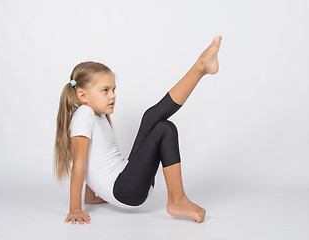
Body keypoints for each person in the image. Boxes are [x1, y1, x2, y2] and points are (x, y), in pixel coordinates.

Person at [54, 35, 222, 224]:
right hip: (125, 191)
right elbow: (80, 164)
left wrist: (91, 197)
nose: (113, 96)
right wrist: (75, 208)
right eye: (105, 90)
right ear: (82, 95)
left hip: (128, 182)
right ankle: (177, 200)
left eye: (114, 90)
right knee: (163, 129)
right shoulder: (84, 114)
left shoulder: (95, 116)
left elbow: (94, 161)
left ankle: (200, 68)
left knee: (152, 119)